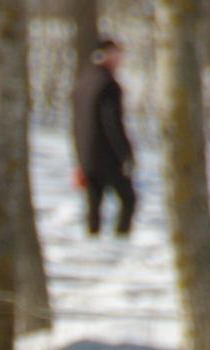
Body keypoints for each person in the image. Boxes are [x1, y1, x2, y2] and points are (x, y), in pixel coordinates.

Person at [71, 38, 136, 237]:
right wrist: (126, 155)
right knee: (129, 199)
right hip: (106, 156)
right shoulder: (108, 85)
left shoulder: (82, 82)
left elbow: (75, 124)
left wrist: (79, 159)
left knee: (94, 206)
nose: (119, 60)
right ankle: (120, 243)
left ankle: (92, 245)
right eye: (115, 55)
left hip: (86, 156)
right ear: (103, 56)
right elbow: (112, 125)